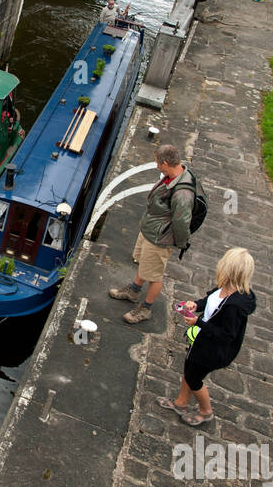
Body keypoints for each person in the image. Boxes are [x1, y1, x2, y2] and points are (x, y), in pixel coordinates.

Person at [160, 247, 257, 426]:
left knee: (194, 378)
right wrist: (195, 305)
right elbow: (208, 301)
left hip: (212, 350)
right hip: (201, 342)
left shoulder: (235, 307)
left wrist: (197, 323)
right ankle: (181, 403)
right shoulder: (224, 288)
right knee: (188, 371)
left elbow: (226, 335)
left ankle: (206, 411)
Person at [110, 145, 197, 324]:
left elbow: (181, 222)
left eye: (158, 162)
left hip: (159, 239)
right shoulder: (170, 177)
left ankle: (146, 309)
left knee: (154, 275)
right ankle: (133, 291)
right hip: (150, 230)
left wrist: (179, 243)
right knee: (144, 264)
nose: (156, 165)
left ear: (165, 163)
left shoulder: (182, 193)